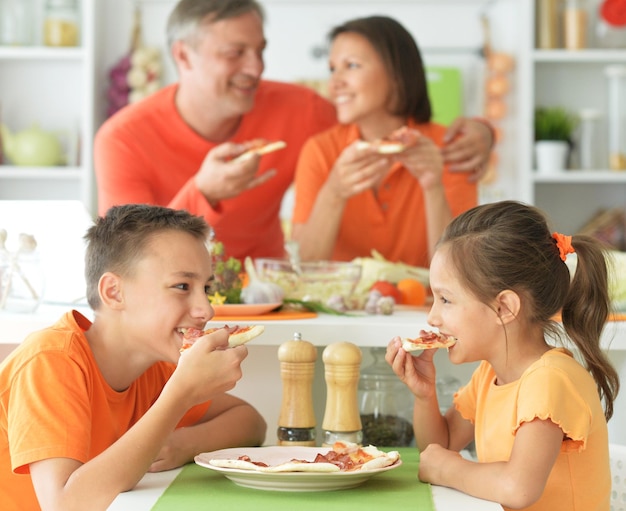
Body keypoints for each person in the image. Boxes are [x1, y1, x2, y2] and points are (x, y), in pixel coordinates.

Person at [94, 0, 494, 262]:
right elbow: (125, 258)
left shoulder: (302, 111)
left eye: (260, 50)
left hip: (270, 301)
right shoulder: (122, 139)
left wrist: (483, 132)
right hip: (176, 306)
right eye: (236, 53)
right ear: (183, 55)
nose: (257, 68)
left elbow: (378, 119)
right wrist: (205, 191)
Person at [0, 204, 267, 511]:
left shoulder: (156, 365)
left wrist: (183, 445)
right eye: (182, 286)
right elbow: (64, 506)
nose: (206, 310)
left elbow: (251, 423)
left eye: (206, 288)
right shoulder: (51, 361)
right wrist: (179, 397)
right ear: (114, 292)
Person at [386, 200, 620, 510]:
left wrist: (448, 469)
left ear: (504, 308)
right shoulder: (490, 375)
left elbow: (518, 487)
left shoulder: (550, 380)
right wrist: (424, 394)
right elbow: (437, 448)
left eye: (445, 300)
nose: (432, 317)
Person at [291, 16, 478, 266]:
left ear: (397, 73)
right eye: (333, 69)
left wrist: (433, 188)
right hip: (338, 304)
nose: (335, 83)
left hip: (423, 304)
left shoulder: (451, 148)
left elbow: (461, 274)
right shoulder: (320, 150)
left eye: (352, 66)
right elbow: (303, 267)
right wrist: (334, 192)